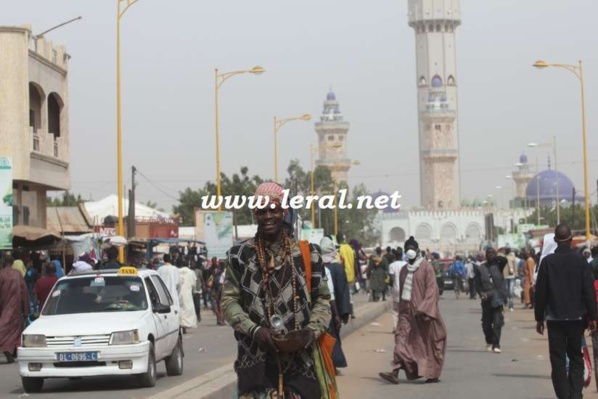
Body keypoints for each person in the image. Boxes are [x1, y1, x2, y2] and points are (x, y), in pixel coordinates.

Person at [221, 182, 332, 398]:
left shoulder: (309, 254)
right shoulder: (238, 256)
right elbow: (228, 301)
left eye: (273, 209)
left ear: (284, 211)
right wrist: (254, 330)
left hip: (301, 361)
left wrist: (310, 332)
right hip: (255, 360)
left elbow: (323, 299)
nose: (268, 216)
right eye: (262, 211)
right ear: (255, 213)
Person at [535, 224, 597, 399]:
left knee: (558, 360)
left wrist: (539, 318)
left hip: (555, 319)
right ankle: (575, 394)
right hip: (577, 318)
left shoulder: (547, 262)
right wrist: (593, 316)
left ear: (555, 240)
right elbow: (588, 290)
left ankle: (563, 396)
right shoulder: (580, 261)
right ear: (570, 239)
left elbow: (541, 293)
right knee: (576, 357)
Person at [379, 236, 447, 385]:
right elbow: (404, 291)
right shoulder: (404, 270)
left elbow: (431, 290)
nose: (410, 252)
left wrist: (423, 308)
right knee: (401, 339)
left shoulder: (426, 267)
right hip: (406, 313)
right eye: (407, 249)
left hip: (423, 314)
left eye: (412, 249)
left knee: (428, 344)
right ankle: (395, 372)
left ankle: (431, 373)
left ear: (417, 251)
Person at [320, 236, 351, 371]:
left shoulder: (318, 267)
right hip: (335, 308)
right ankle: (333, 362)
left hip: (322, 309)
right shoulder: (337, 268)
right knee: (334, 335)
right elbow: (343, 291)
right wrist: (344, 312)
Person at [475, 247, 507, 353]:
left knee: (497, 322)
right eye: (489, 253)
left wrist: (496, 256)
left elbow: (504, 260)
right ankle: (489, 340)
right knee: (486, 324)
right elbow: (477, 284)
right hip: (486, 299)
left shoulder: (498, 265)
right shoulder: (481, 268)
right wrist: (481, 294)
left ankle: (496, 344)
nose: (491, 255)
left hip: (498, 297)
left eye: (493, 253)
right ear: (485, 255)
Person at [0, 256, 29, 363]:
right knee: (9, 332)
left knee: (6, 331)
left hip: (4, 307)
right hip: (15, 308)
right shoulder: (17, 274)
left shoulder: (1, 274)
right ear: (12, 263)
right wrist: (26, 310)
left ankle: (9, 355)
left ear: (3, 262)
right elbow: (24, 292)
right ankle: (8, 354)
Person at [177, 258, 198, 333]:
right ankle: (185, 325)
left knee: (179, 309)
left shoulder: (177, 271)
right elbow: (194, 283)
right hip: (187, 293)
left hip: (178, 293)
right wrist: (194, 291)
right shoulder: (191, 272)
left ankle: (180, 325)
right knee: (187, 309)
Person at [388, 254, 407, 333]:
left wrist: (390, 286)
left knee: (395, 310)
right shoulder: (406, 264)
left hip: (396, 289)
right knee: (404, 309)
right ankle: (403, 327)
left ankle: (395, 327)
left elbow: (391, 279)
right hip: (405, 289)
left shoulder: (392, 265)